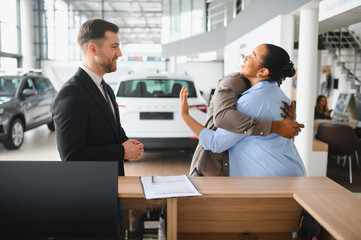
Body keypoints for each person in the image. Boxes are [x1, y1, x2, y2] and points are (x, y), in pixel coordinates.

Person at [180, 44, 305, 177]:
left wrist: (185, 115)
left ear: (263, 71)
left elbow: (215, 143)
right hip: (289, 171)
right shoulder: (282, 98)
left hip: (271, 178)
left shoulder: (252, 101)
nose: (246, 57)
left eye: (252, 56)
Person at [53, 19, 144, 176]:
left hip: (111, 186)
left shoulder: (106, 89)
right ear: (93, 49)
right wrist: (121, 151)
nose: (119, 53)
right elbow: (71, 156)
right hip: (91, 194)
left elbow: (111, 131)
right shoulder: (71, 94)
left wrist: (129, 146)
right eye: (114, 47)